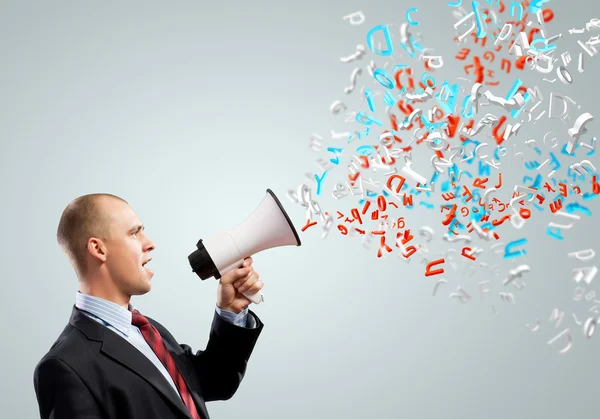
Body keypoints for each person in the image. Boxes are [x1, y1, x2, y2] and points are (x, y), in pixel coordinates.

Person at [33, 193, 264, 419]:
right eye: (135, 233)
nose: (150, 244)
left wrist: (231, 311)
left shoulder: (149, 331)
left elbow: (215, 382)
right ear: (99, 249)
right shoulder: (64, 366)